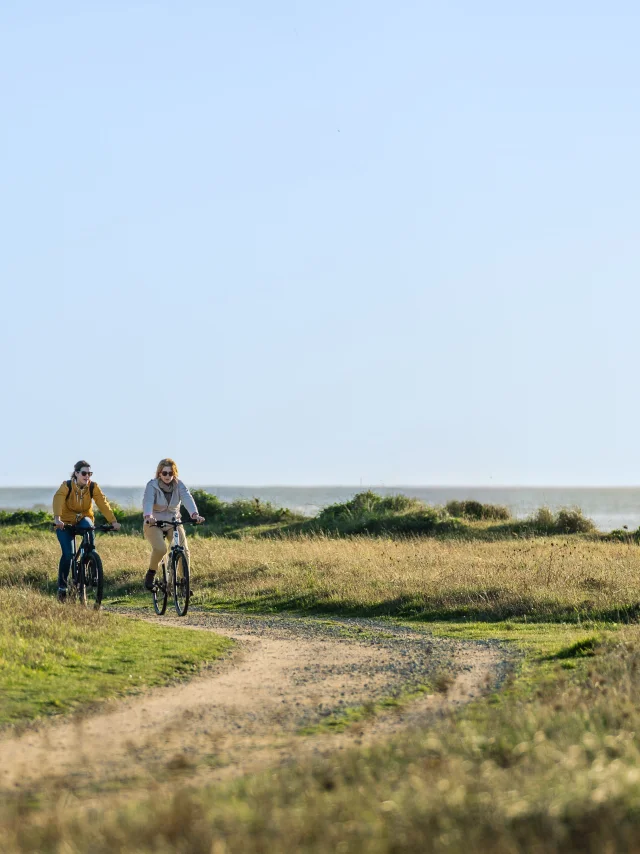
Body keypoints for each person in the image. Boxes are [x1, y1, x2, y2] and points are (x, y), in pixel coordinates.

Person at [52, 461, 121, 602]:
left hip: (83, 518)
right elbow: (58, 498)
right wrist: (57, 519)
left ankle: (91, 562)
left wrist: (113, 521)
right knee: (68, 555)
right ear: (76, 473)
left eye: (89, 473)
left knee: (89, 528)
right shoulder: (67, 486)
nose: (87, 476)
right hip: (64, 523)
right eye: (84, 473)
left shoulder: (92, 487)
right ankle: (62, 588)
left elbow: (102, 502)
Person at [142, 458, 204, 590]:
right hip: (154, 522)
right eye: (164, 473)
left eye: (171, 473)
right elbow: (147, 501)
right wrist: (149, 516)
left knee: (184, 550)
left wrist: (194, 514)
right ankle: (151, 575)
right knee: (161, 549)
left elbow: (187, 498)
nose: (167, 476)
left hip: (173, 521)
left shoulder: (179, 485)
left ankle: (184, 583)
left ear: (174, 473)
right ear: (159, 473)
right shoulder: (152, 485)